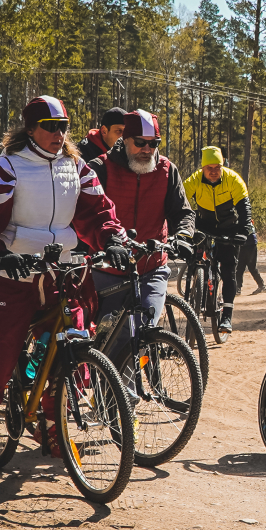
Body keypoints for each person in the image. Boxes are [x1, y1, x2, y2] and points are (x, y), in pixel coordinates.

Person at [0, 95, 131, 486]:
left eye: (63, 126)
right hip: (8, 282)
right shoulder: (2, 170)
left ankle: (52, 426)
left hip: (63, 277)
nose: (58, 134)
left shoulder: (76, 168)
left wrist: (111, 237)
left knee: (72, 356)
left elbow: (99, 213)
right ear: (30, 129)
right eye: (49, 126)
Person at [87, 109, 195, 356]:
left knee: (138, 329)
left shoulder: (167, 171)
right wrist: (104, 245)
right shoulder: (100, 168)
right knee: (103, 339)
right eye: (140, 143)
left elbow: (183, 213)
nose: (147, 149)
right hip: (108, 270)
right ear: (124, 139)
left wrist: (184, 236)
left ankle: (127, 394)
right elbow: (87, 215)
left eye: (154, 144)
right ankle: (101, 386)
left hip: (151, 267)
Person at [182, 146, 253, 333]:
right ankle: (194, 289)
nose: (213, 172)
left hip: (228, 228)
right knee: (193, 258)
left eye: (217, 167)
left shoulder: (233, 180)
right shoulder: (194, 181)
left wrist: (244, 231)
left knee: (229, 269)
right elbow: (179, 203)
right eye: (209, 168)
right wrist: (182, 229)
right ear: (202, 168)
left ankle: (227, 316)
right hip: (203, 226)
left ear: (223, 166)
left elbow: (245, 210)